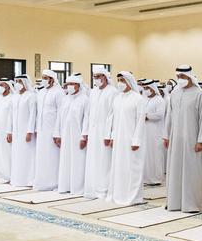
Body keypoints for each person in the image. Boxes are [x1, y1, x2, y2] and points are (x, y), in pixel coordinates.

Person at [163, 65, 202, 213]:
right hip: (175, 139)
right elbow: (169, 117)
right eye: (178, 77)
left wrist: (201, 140)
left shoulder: (199, 93)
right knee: (174, 170)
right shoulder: (174, 94)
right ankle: (174, 202)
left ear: (189, 77)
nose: (180, 80)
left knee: (191, 171)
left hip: (192, 139)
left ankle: (191, 204)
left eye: (182, 77)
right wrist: (166, 135)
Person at [106, 71, 146, 206]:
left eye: (122, 80)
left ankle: (134, 197)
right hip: (118, 139)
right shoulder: (117, 98)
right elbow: (113, 119)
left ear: (129, 81)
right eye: (118, 80)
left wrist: (136, 140)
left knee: (132, 168)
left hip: (132, 140)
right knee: (119, 167)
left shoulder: (138, 99)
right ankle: (119, 194)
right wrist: (111, 137)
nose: (120, 83)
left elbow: (140, 121)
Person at [83, 67, 118, 199]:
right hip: (93, 131)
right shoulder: (93, 92)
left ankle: (104, 189)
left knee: (104, 160)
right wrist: (85, 133)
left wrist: (109, 134)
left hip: (104, 132)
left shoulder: (112, 92)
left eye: (99, 76)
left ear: (105, 77)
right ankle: (93, 188)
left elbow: (112, 115)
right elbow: (89, 113)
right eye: (94, 76)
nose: (96, 79)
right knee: (93, 159)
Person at [54, 75, 89, 195]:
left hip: (78, 136)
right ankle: (65, 185)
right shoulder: (65, 99)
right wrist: (57, 134)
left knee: (78, 160)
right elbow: (59, 117)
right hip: (65, 135)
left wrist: (84, 136)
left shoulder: (84, 99)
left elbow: (86, 119)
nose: (69, 87)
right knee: (65, 160)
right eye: (68, 84)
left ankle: (78, 187)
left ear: (78, 86)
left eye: (72, 84)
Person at [33, 69, 65, 190]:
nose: (44, 80)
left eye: (46, 78)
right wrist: (36, 128)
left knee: (52, 157)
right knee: (42, 156)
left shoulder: (58, 92)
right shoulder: (41, 93)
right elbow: (38, 112)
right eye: (43, 77)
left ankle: (54, 182)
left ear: (52, 79)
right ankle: (42, 181)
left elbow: (61, 113)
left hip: (52, 130)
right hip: (41, 130)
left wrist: (57, 132)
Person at [9, 75, 37, 187]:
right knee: (17, 155)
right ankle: (17, 179)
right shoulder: (15, 97)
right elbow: (11, 116)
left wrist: (30, 131)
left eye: (19, 81)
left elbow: (32, 115)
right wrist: (9, 131)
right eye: (16, 81)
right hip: (16, 132)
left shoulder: (30, 96)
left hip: (26, 132)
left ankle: (28, 180)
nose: (17, 83)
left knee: (27, 156)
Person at [142, 79, 166, 185]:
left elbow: (160, 114)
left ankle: (156, 178)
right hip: (145, 131)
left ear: (153, 88)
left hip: (155, 132)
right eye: (145, 88)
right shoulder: (144, 99)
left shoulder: (159, 100)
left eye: (148, 88)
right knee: (146, 155)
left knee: (155, 155)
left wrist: (147, 116)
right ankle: (146, 178)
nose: (146, 90)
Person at [0, 79, 14, 183]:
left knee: (8, 153)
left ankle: (10, 175)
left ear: (7, 86)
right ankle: (2, 175)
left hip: (7, 131)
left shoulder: (12, 99)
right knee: (0, 153)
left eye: (1, 85)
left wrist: (9, 131)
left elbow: (12, 117)